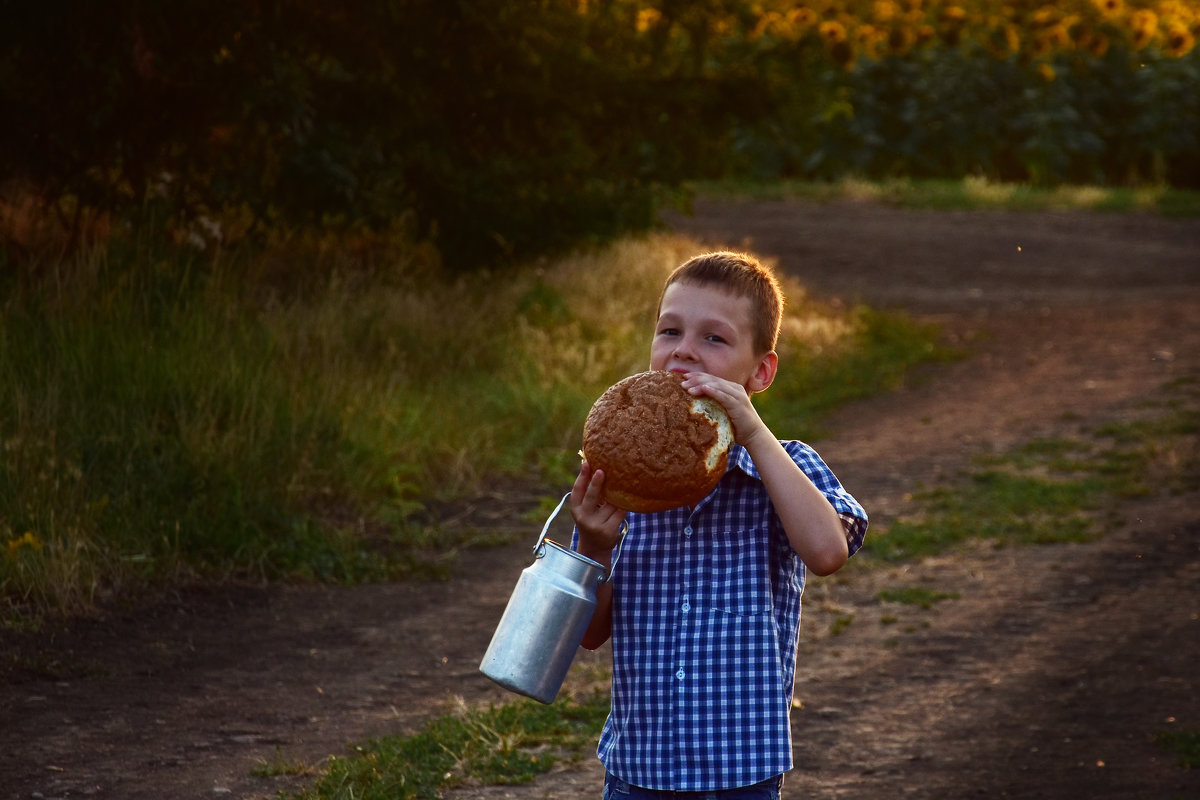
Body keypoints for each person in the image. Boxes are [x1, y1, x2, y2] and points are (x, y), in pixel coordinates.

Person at [570, 250, 868, 799]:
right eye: (669, 331)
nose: (683, 350)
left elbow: (828, 553)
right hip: (639, 773)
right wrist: (594, 543)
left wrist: (753, 434)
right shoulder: (621, 483)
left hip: (742, 775)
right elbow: (588, 634)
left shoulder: (785, 466)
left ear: (760, 372)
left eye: (715, 339)